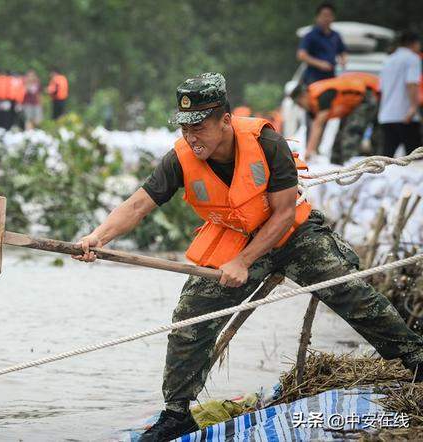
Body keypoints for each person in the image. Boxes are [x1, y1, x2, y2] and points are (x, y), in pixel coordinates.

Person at [72, 73, 423, 441]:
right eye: (185, 128)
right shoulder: (180, 157)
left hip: (292, 235)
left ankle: (415, 357)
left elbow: (285, 212)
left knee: (350, 291)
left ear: (225, 120)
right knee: (190, 317)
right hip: (234, 237)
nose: (192, 137)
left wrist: (244, 261)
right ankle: (177, 414)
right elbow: (140, 203)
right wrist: (97, 238)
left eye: (201, 127)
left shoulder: (267, 142)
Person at [290, 74, 377, 164]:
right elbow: (315, 129)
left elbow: (318, 125)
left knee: (350, 134)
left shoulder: (322, 95)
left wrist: (309, 152)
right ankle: (337, 166)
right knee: (338, 142)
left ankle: (353, 165)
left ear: (303, 96)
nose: (301, 107)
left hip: (364, 99)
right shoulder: (312, 103)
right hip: (351, 106)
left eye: (299, 104)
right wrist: (312, 151)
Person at [378, 31, 422, 157]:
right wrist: (413, 107)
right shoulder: (412, 58)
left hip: (387, 115)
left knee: (387, 158)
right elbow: (412, 83)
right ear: (414, 43)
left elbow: (381, 88)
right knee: (415, 157)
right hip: (405, 115)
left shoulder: (388, 60)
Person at [297, 2, 347, 86]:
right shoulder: (310, 36)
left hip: (330, 76)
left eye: (329, 15)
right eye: (324, 15)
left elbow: (342, 51)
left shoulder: (336, 36)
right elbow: (301, 55)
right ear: (317, 17)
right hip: (313, 77)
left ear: (333, 17)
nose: (326, 18)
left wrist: (343, 60)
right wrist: (320, 64)